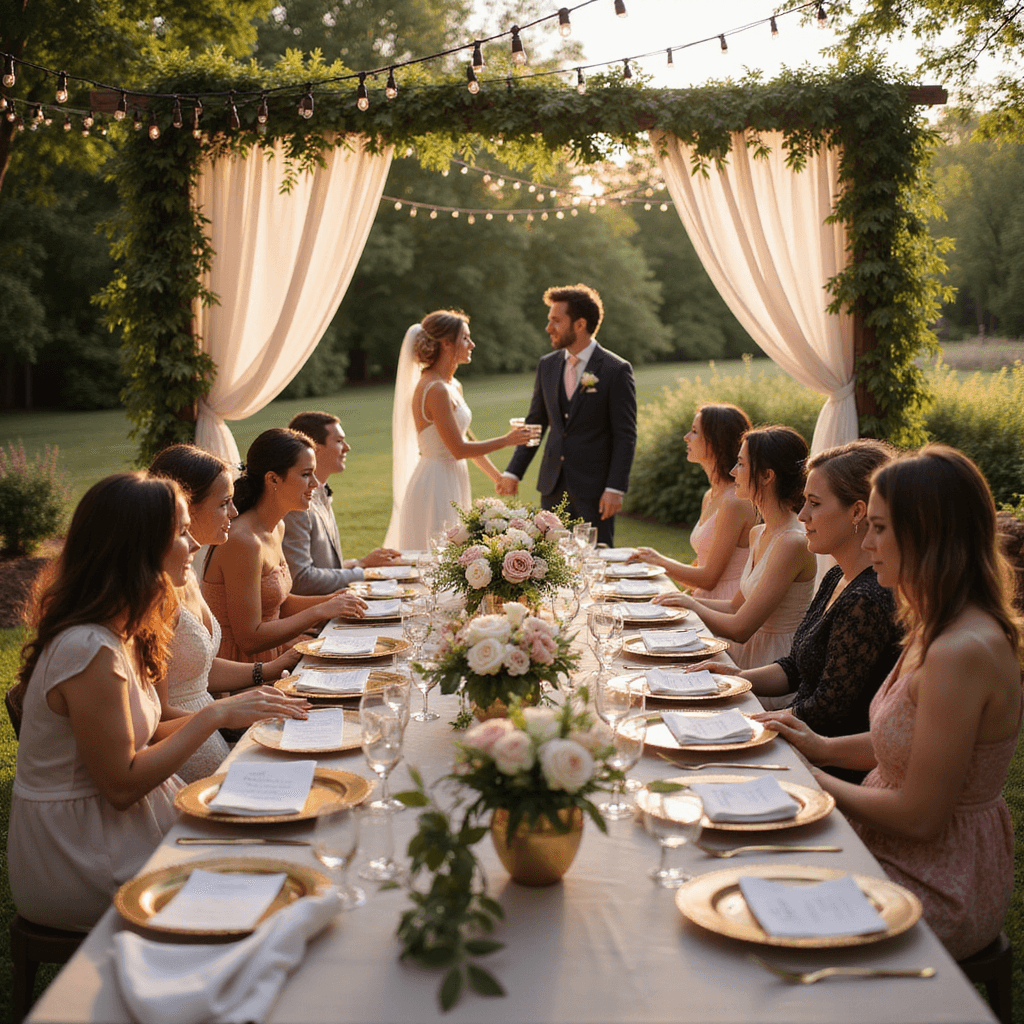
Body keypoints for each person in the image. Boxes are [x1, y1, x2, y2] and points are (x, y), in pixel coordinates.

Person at [7, 473, 308, 931]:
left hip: (119, 826)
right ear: (139, 546)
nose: (193, 545)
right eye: (181, 533)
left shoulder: (124, 626)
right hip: (80, 853)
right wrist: (216, 713)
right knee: (276, 876)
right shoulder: (87, 649)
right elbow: (122, 784)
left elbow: (141, 736)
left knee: (288, 837)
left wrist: (240, 702)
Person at [759, 445, 1022, 959]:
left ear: (928, 535)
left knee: (756, 899)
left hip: (937, 875)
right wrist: (820, 748)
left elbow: (921, 816)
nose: (868, 540)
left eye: (880, 528)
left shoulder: (961, 650)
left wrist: (809, 782)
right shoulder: (937, 622)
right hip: (891, 843)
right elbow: (900, 743)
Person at [706, 440, 901, 780]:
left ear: (857, 512)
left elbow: (829, 711)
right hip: (801, 738)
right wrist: (735, 680)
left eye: (814, 504)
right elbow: (795, 666)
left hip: (830, 767)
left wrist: (753, 723)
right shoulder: (838, 575)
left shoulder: (867, 599)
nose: (802, 516)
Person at [149, 444, 305, 782]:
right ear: (185, 508)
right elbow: (156, 716)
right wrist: (225, 713)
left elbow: (195, 668)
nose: (234, 512)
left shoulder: (185, 571)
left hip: (210, 726)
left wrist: (269, 670)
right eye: (223, 504)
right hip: (181, 743)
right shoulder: (155, 593)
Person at [655, 425, 816, 669]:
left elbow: (741, 628)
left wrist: (692, 605)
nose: (732, 472)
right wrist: (675, 598)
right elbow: (734, 606)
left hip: (772, 664)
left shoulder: (792, 543)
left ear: (766, 476)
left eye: (740, 464)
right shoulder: (758, 533)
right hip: (744, 653)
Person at [203, 428, 367, 663]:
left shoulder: (276, 527)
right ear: (272, 479)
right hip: (242, 670)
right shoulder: (244, 541)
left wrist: (332, 600)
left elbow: (279, 602)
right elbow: (250, 639)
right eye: (306, 474)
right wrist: (319, 611)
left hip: (274, 656)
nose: (316, 483)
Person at [499, 283, 637, 547]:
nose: (549, 327)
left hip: (595, 491)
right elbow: (536, 422)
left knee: (596, 560)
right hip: (552, 486)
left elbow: (625, 435)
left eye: (556, 321)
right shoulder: (547, 366)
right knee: (548, 564)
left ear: (580, 324)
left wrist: (615, 488)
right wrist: (514, 472)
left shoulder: (615, 369)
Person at [384, 310, 536, 549]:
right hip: (435, 483)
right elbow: (458, 449)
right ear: (446, 343)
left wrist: (497, 477)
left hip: (454, 477)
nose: (472, 344)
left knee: (455, 553)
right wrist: (507, 440)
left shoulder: (453, 385)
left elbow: (465, 439)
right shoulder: (435, 389)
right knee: (438, 553)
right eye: (465, 338)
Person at [627, 403, 754, 599]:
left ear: (716, 442)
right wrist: (655, 564)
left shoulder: (735, 501)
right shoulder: (710, 496)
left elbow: (709, 579)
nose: (686, 437)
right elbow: (699, 575)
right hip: (702, 599)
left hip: (723, 608)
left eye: (695, 431)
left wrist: (658, 560)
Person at [283, 411, 401, 595]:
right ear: (314, 449)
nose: (347, 447)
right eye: (339, 441)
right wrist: (362, 570)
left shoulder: (320, 491)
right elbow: (301, 580)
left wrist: (361, 563)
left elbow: (324, 566)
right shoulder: (296, 506)